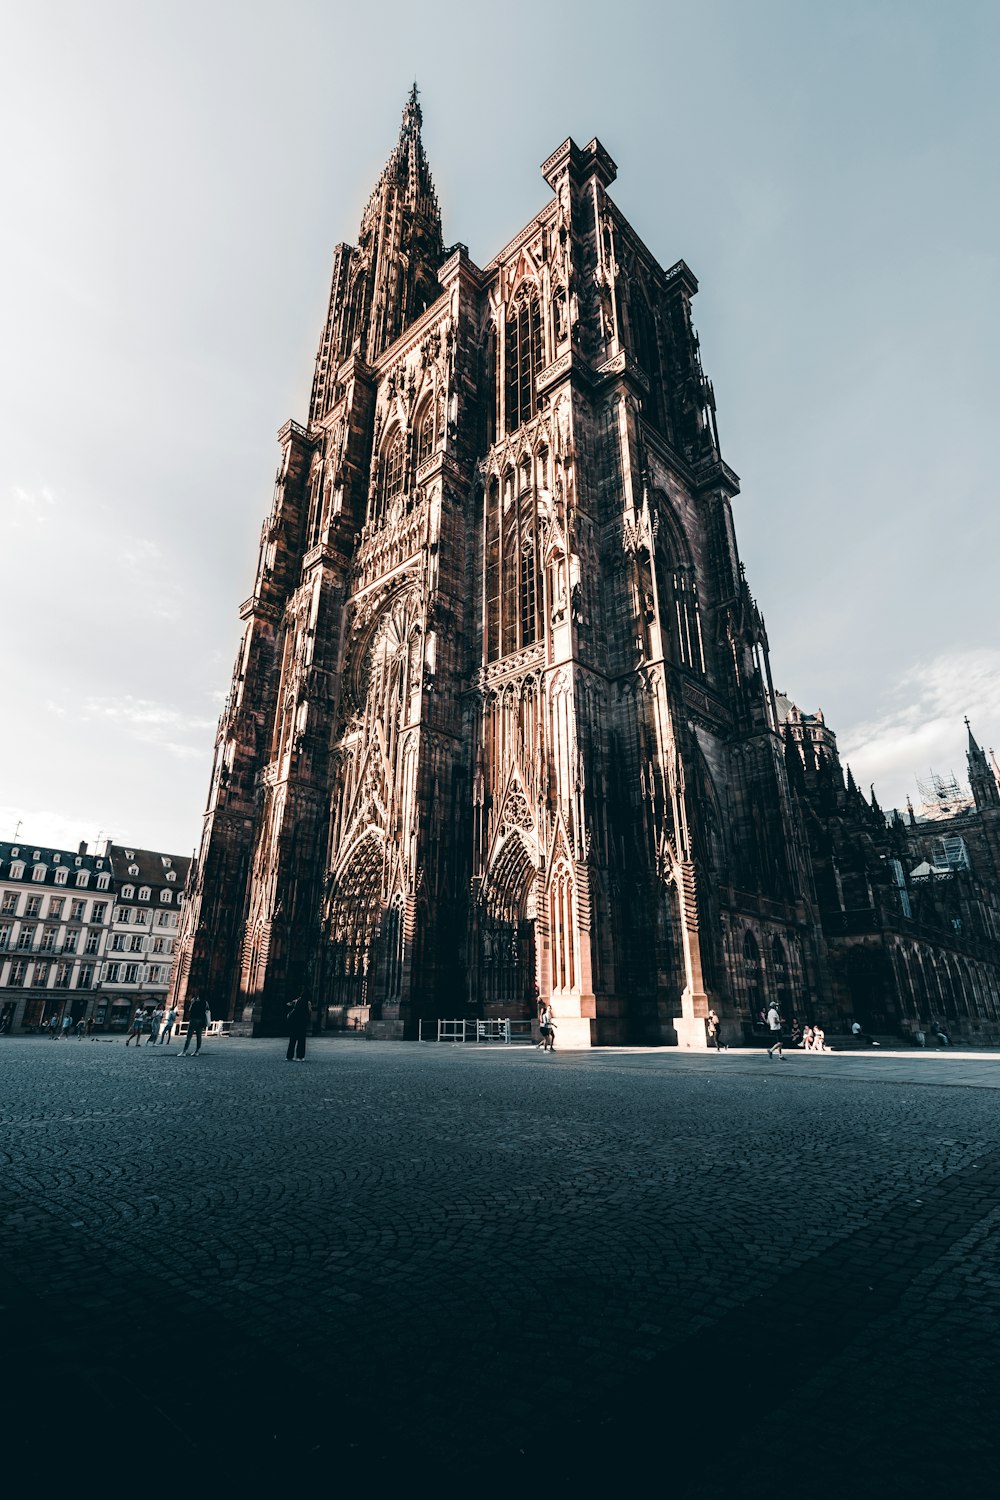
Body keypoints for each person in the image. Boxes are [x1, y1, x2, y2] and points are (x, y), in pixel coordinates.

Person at [286, 994, 312, 1061]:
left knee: (292, 1040)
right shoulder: (308, 1002)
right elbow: (309, 1011)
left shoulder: (297, 1001)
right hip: (302, 1022)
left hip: (295, 1022)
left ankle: (289, 1056)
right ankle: (300, 1057)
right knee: (301, 1040)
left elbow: (288, 1004)